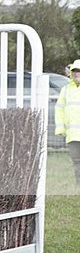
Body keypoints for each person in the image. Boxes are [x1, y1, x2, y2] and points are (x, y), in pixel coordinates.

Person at [55, 59, 80, 187]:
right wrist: (60, 129)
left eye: (79, 71)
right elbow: (59, 109)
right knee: (76, 161)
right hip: (73, 135)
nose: (76, 74)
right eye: (74, 71)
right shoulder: (65, 90)